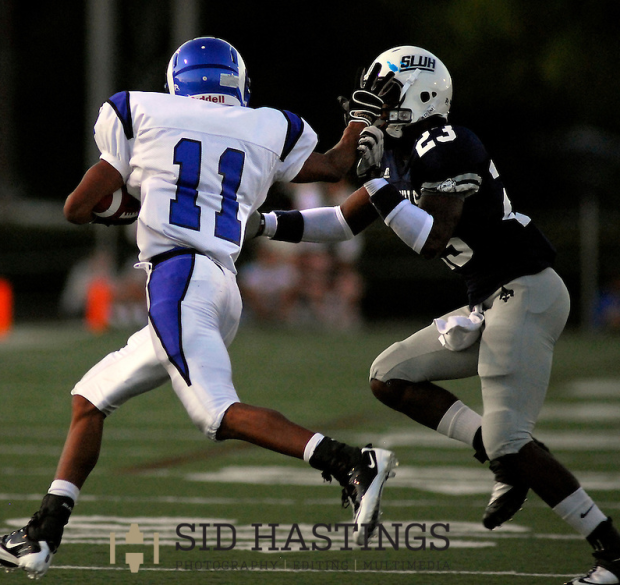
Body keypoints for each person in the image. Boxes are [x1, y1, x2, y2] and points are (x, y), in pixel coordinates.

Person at [0, 37, 395, 579]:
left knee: (216, 412)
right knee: (90, 397)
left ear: (181, 80)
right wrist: (361, 120)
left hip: (178, 279)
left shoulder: (141, 110)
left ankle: (350, 462)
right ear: (234, 83)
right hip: (222, 284)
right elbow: (338, 164)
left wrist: (127, 205)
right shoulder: (265, 125)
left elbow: (77, 207)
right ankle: (41, 535)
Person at [253, 46, 620, 584]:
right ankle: (501, 457)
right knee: (390, 376)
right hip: (489, 300)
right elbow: (334, 222)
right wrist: (258, 225)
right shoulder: (403, 156)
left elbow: (433, 238)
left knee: (511, 440)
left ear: (421, 96)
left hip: (526, 290)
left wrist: (376, 182)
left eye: (386, 97)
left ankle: (610, 552)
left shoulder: (447, 142)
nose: (374, 110)